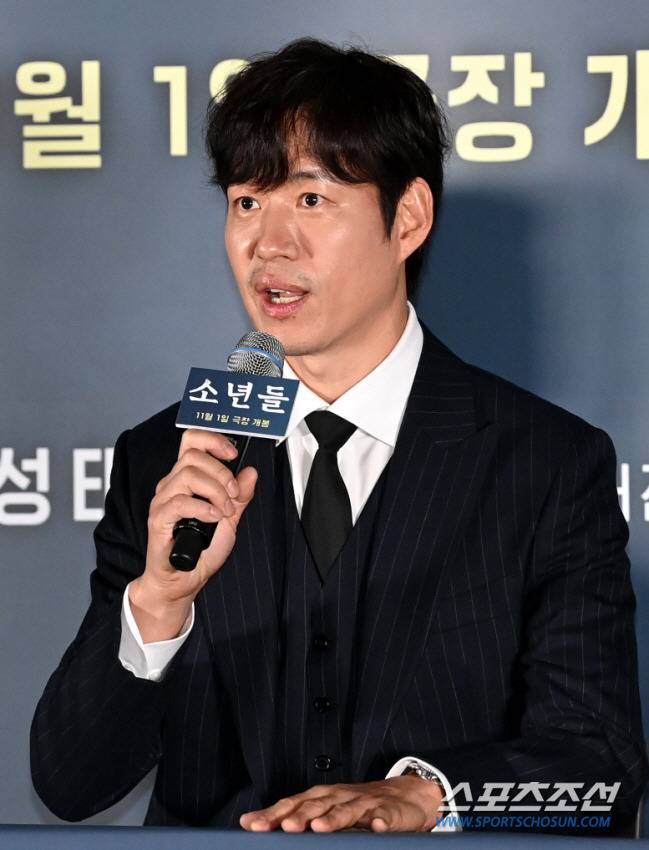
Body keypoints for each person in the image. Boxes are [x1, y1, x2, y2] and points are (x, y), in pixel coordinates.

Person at [31, 38, 648, 834]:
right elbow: (69, 785)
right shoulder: (168, 457)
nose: (268, 243)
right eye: (246, 202)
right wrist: (157, 603)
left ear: (407, 217)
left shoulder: (543, 461)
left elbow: (601, 771)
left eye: (311, 199)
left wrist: (429, 796)